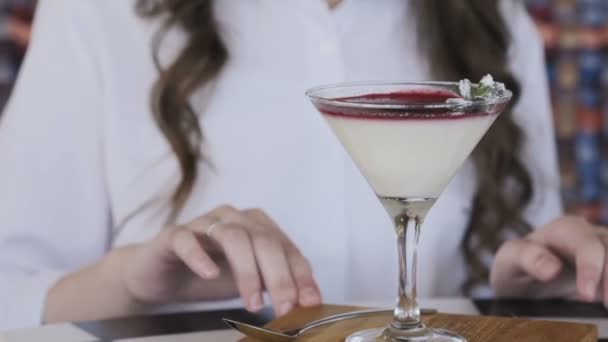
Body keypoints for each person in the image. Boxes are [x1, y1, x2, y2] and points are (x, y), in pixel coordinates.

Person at [0, 0, 606, 331]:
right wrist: (129, 282)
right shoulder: (99, 14)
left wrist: (524, 287)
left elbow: (512, 263)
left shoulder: (493, 20)